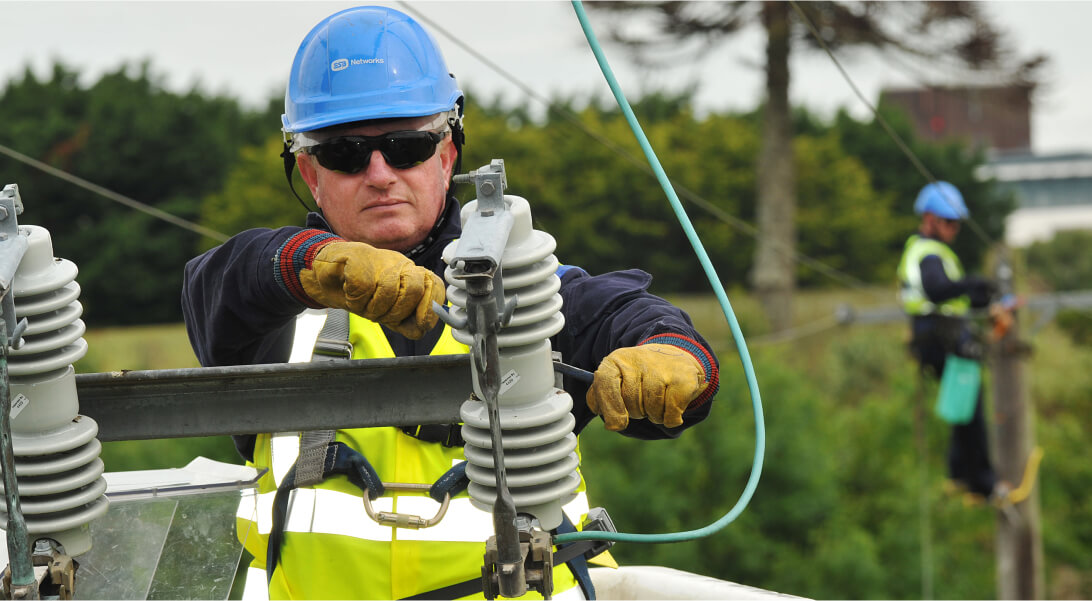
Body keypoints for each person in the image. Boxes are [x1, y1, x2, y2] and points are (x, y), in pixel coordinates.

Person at [181, 6, 719, 600]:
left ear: (447, 155)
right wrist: (314, 263)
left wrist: (674, 356)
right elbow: (225, 281)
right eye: (346, 154)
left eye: (405, 146)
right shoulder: (276, 309)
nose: (379, 173)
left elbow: (633, 319)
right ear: (310, 173)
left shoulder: (533, 297)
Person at [897, 181, 1004, 503]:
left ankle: (959, 474)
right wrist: (973, 284)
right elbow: (937, 290)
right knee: (970, 409)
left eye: (956, 223)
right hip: (941, 338)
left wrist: (977, 297)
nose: (954, 229)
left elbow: (949, 297)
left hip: (939, 337)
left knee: (962, 405)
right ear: (929, 219)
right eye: (948, 222)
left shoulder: (933, 252)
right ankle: (983, 483)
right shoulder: (928, 253)